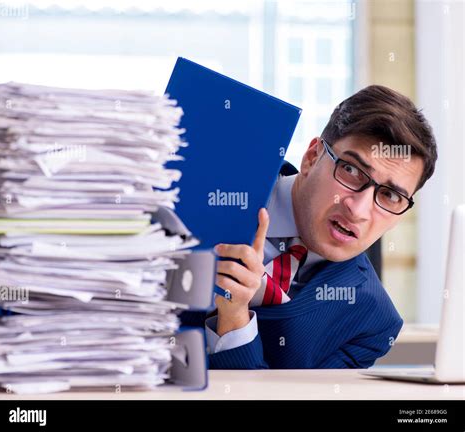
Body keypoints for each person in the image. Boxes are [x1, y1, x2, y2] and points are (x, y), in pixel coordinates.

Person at [183, 84, 438, 369]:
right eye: (351, 171)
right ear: (312, 157)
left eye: (390, 196)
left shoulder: (372, 323)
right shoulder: (202, 186)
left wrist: (233, 318)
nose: (358, 210)